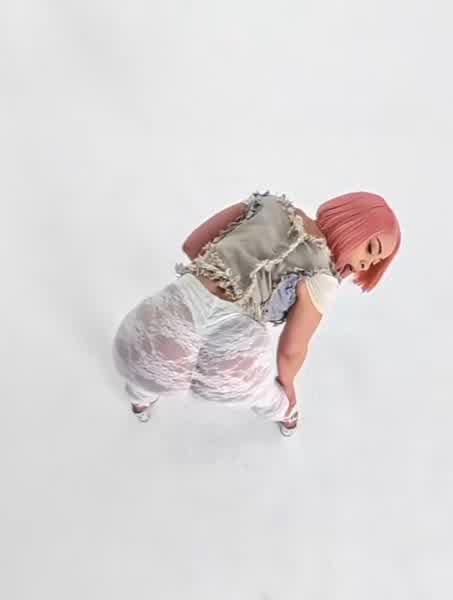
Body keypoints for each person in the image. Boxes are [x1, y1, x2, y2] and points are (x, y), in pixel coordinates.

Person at [112, 191, 401, 436]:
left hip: (176, 308)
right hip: (237, 341)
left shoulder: (267, 204)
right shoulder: (323, 277)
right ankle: (287, 416)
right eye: (371, 249)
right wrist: (288, 386)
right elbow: (292, 349)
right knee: (268, 396)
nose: (366, 265)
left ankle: (140, 401)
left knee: (148, 369)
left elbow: (192, 246)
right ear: (352, 223)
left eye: (375, 262)